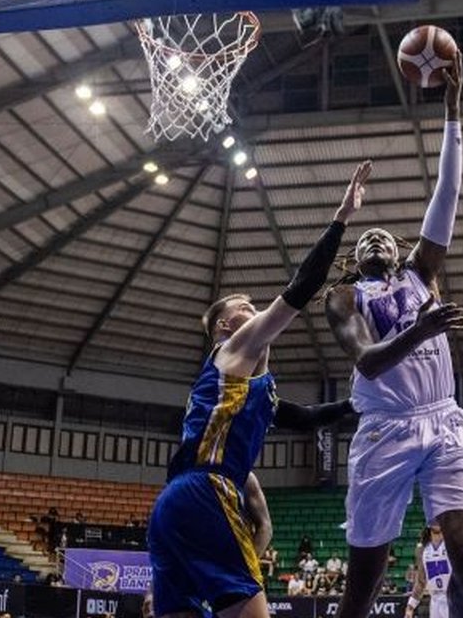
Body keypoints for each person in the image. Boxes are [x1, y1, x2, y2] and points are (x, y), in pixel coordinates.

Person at [148, 162, 372, 618]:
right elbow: (303, 287)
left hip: (172, 506)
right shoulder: (231, 351)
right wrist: (342, 217)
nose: (254, 312)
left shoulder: (252, 391)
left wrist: (360, 404)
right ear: (225, 329)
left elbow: (306, 417)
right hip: (207, 491)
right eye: (245, 308)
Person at [325, 52, 463, 618]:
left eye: (385, 236)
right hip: (383, 432)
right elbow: (367, 361)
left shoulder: (421, 273)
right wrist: (419, 331)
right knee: (361, 589)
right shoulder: (344, 297)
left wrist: (452, 107)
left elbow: (447, 190)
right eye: (365, 238)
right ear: (353, 257)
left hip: (444, 420)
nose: (376, 239)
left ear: (401, 251)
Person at [405, 524, 451, 618]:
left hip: (454, 598)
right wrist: (410, 607)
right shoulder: (422, 549)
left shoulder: (453, 544)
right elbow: (421, 581)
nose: (436, 521)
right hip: (435, 599)